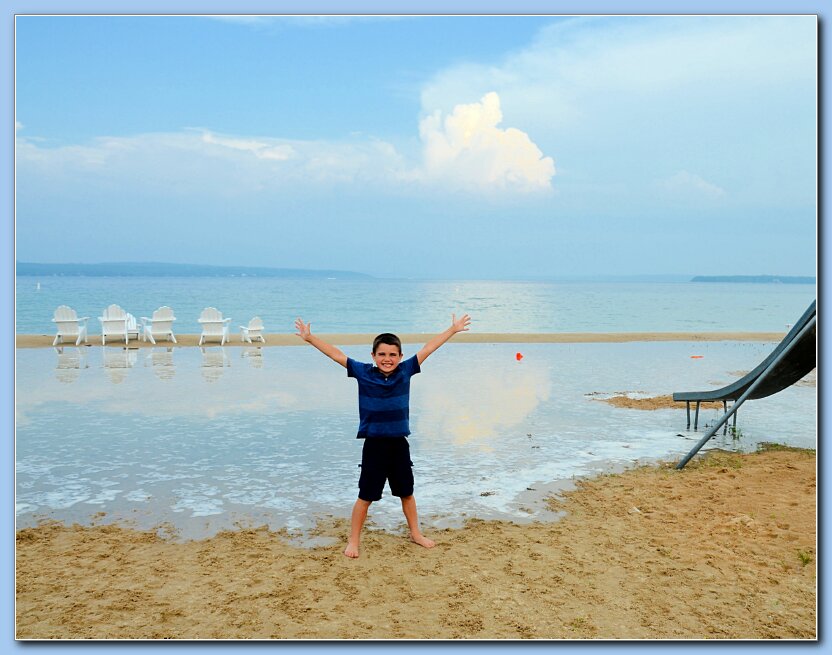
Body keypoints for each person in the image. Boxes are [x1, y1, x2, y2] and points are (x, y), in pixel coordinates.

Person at [294, 314, 472, 558]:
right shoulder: (363, 372)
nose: (387, 359)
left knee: (407, 493)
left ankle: (415, 533)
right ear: (373, 356)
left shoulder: (406, 370)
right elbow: (336, 354)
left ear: (400, 356)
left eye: (392, 355)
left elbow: (428, 348)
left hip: (399, 444)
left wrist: (452, 329)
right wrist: (310, 338)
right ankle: (353, 540)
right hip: (374, 445)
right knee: (365, 496)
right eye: (382, 354)